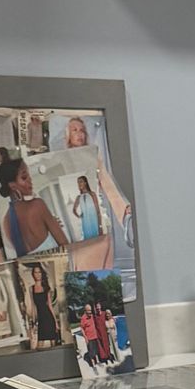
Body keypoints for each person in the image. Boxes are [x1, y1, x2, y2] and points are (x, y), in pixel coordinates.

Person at [62, 114, 136, 284]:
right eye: (74, 130)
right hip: (77, 227)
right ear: (68, 136)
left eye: (82, 130)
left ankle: (107, 305)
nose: (79, 134)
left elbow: (108, 186)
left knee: (103, 271)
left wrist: (124, 209)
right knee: (81, 271)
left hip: (98, 221)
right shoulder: (62, 160)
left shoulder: (93, 158)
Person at [0, 155, 68, 257]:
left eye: (29, 176)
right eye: (24, 177)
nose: (30, 180)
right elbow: (65, 246)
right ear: (12, 185)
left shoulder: (5, 222)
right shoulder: (37, 205)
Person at [28, 263, 62, 347]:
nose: (38, 274)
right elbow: (33, 306)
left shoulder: (46, 288)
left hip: (48, 317)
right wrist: (32, 322)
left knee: (53, 344)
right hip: (40, 319)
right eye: (36, 272)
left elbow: (50, 305)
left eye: (39, 272)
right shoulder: (31, 288)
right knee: (39, 345)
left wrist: (56, 322)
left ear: (42, 273)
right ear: (33, 274)